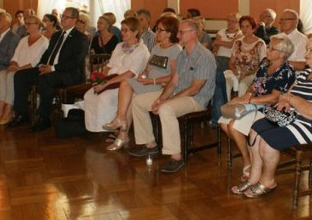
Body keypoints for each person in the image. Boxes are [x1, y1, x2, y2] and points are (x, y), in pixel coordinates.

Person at [232, 36, 312, 198]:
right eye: (306, 49)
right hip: (297, 118)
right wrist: (288, 100)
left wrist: (292, 100)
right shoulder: (306, 73)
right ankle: (254, 177)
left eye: (311, 50)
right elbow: (286, 94)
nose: (306, 54)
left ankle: (268, 181)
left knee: (268, 140)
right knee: (256, 129)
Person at [128, 20, 216, 173]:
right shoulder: (182, 54)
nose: (177, 35)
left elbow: (195, 89)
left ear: (193, 34)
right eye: (178, 32)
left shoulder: (204, 56)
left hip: (197, 100)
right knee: (138, 101)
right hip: (179, 94)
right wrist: (161, 98)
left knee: (166, 109)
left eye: (181, 32)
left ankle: (176, 156)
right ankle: (149, 144)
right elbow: (174, 81)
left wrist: (166, 102)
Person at [219, 33, 295, 180]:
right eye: (269, 47)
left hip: (270, 109)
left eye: (272, 48)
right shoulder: (265, 64)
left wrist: (248, 101)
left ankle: (248, 162)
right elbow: (255, 85)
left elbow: (275, 97)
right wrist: (245, 96)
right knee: (223, 123)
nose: (267, 50)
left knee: (233, 126)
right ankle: (250, 153)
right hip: (254, 104)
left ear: (282, 53)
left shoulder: (286, 71)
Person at [102, 16, 181, 151]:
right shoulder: (157, 48)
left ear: (169, 33)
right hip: (149, 83)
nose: (157, 32)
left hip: (161, 86)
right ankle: (124, 130)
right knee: (129, 92)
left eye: (160, 30)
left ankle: (123, 127)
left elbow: (174, 77)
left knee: (129, 90)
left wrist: (151, 80)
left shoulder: (176, 50)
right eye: (157, 29)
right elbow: (148, 68)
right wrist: (143, 76)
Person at [7, 7, 90, 132]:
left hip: (68, 74)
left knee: (46, 78)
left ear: (75, 20)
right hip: (50, 69)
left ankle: (44, 118)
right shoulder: (57, 35)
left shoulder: (81, 38)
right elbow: (47, 55)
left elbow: (75, 61)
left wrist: (52, 68)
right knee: (20, 75)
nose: (63, 19)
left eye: (66, 17)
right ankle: (22, 113)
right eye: (62, 16)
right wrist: (42, 65)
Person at [83, 17, 150, 133]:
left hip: (126, 84)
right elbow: (109, 65)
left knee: (104, 98)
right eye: (122, 30)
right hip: (110, 79)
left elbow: (130, 73)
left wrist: (107, 83)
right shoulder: (119, 46)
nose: (122, 33)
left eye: (126, 30)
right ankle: (94, 127)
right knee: (89, 95)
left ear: (135, 32)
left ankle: (111, 128)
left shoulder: (141, 50)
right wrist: (101, 79)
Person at [0, 16, 48, 125]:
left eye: (29, 23)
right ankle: (0, 108)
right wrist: (13, 64)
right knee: (2, 73)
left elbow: (36, 62)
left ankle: (9, 110)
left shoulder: (44, 41)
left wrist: (18, 69)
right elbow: (15, 56)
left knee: (11, 75)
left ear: (38, 25)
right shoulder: (23, 40)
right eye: (26, 23)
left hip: (31, 71)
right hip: (18, 68)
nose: (26, 26)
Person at [224, 15, 267, 100]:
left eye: (247, 26)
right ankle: (229, 106)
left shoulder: (260, 43)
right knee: (227, 80)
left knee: (243, 84)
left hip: (253, 73)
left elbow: (263, 65)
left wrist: (246, 73)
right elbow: (231, 62)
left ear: (253, 28)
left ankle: (241, 108)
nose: (244, 29)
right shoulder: (238, 42)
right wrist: (235, 70)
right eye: (242, 27)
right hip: (237, 72)